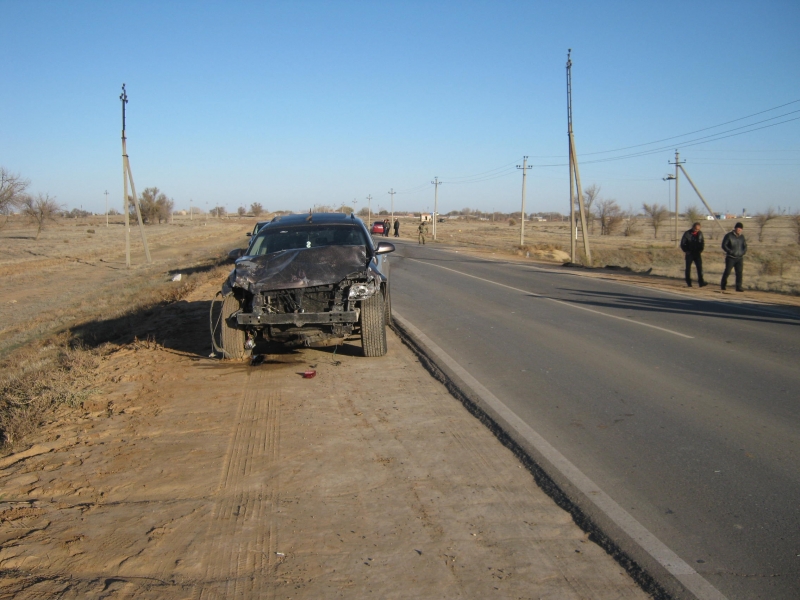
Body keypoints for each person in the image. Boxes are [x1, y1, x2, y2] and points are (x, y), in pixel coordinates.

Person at [721, 222, 747, 292]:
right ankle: (723, 285)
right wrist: (730, 251)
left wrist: (743, 252)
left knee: (739, 273)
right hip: (730, 257)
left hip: (739, 258)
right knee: (727, 272)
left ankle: (738, 287)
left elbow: (745, 246)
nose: (739, 229)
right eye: (738, 228)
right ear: (735, 228)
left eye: (740, 228)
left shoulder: (742, 237)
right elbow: (724, 245)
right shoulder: (729, 236)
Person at [680, 222, 706, 287]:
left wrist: (701, 250)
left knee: (699, 268)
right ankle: (688, 282)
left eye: (698, 229)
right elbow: (682, 244)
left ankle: (701, 282)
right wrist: (686, 251)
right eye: (696, 229)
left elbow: (702, 242)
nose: (697, 230)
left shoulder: (700, 234)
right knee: (688, 268)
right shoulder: (687, 233)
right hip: (689, 253)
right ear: (693, 227)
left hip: (697, 253)